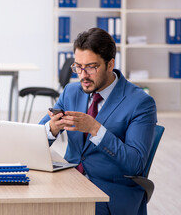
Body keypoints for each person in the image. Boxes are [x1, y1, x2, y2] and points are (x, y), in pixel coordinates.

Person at [39, 27, 157, 215]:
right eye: (78, 66)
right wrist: (51, 129)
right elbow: (35, 137)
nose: (83, 75)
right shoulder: (71, 92)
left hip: (111, 194)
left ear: (110, 65)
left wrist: (96, 129)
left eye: (91, 67)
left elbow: (135, 164)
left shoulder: (140, 103)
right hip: (70, 182)